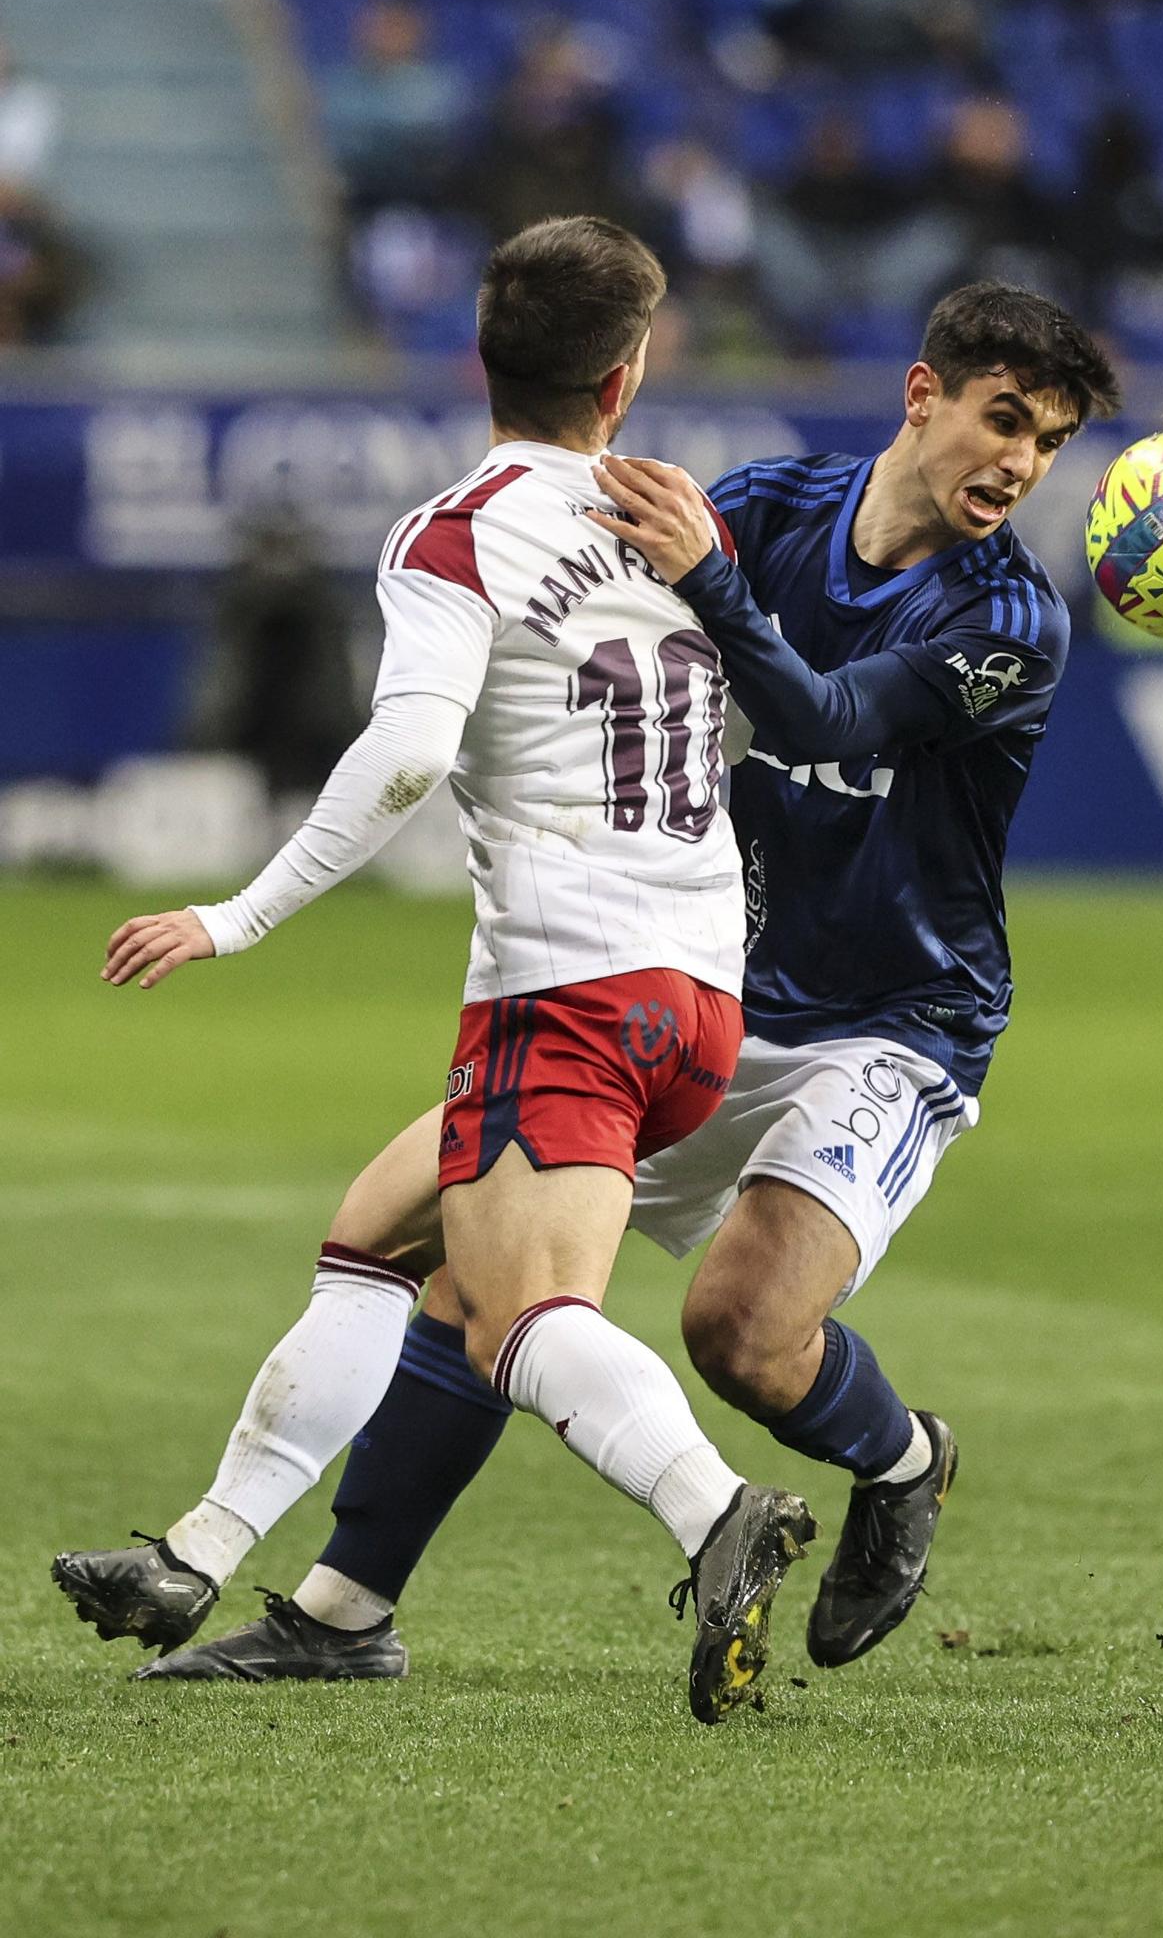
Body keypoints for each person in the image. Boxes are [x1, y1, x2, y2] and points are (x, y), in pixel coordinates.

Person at [75, 281, 1120, 1688]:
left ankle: (902, 1461)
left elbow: (824, 718)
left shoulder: (1011, 621)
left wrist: (711, 588)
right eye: (1004, 420)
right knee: (461, 1259)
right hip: (701, 976)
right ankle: (340, 1612)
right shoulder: (764, 505)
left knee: (740, 1334)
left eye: (1049, 442)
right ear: (922, 394)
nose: (1020, 462)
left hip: (895, 1020)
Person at [52, 214, 817, 1728]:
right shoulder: (681, 527)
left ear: (482, 360)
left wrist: (239, 914)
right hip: (698, 1000)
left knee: (520, 1321)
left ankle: (714, 1509)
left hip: (568, 993)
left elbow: (406, 754)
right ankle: (203, 1559)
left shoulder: (458, 532)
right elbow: (735, 730)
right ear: (624, 376)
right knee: (374, 1240)